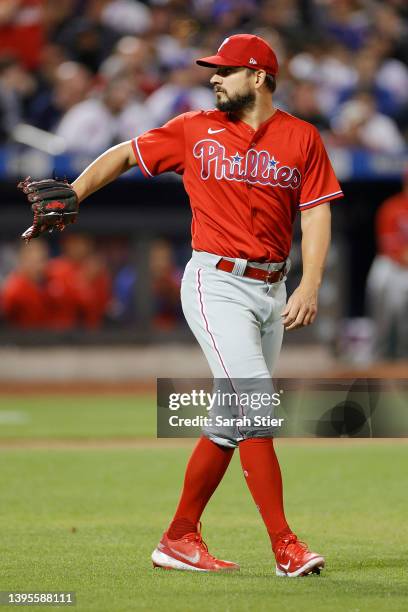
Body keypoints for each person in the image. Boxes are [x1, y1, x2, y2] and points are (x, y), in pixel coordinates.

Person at [24, 34, 344, 576]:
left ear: (259, 76)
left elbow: (315, 214)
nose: (213, 77)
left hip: (271, 288)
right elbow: (127, 152)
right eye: (211, 70)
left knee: (228, 420)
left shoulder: (301, 137)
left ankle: (178, 538)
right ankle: (285, 546)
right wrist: (76, 192)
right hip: (214, 282)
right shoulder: (194, 129)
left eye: (224, 70)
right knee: (257, 405)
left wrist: (310, 284)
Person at [366, 172, 408, 358]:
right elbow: (388, 246)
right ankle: (379, 359)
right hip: (392, 267)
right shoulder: (392, 207)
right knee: (381, 276)